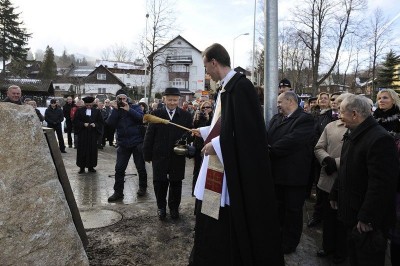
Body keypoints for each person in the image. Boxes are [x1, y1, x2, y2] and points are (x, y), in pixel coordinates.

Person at [190, 43, 284, 265]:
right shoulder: (225, 88)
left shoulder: (241, 87)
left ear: (214, 62)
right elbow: (225, 125)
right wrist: (205, 131)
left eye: (206, 67)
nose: (207, 73)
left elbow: (249, 133)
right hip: (221, 162)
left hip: (231, 166)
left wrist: (218, 146)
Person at [329, 94, 399, 266]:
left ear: (354, 114)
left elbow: (382, 185)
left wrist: (367, 217)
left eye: (342, 111)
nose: (339, 115)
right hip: (351, 213)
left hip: (367, 223)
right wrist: (335, 192)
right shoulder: (353, 133)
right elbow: (345, 167)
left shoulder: (380, 139)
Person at [267, 91, 315, 254]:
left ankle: (289, 243)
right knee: (277, 208)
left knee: (293, 211)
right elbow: (267, 136)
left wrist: (270, 150)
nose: (278, 105)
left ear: (290, 101)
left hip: (294, 175)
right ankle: (277, 238)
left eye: (280, 102)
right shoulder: (276, 118)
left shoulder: (305, 119)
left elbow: (293, 141)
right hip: (276, 174)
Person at [143, 87, 193, 220]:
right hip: (159, 155)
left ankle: (174, 208)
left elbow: (190, 135)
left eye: (175, 100)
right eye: (169, 100)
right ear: (164, 99)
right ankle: (161, 207)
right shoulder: (156, 114)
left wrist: (189, 138)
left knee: (176, 182)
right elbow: (149, 135)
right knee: (160, 182)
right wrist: (147, 154)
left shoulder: (186, 116)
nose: (172, 103)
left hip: (177, 155)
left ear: (179, 100)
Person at [314, 93, 351, 264]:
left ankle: (341, 252)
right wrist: (325, 159)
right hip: (327, 179)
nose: (337, 106)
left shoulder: (356, 127)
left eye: (341, 103)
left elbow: (357, 155)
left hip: (346, 181)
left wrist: (335, 162)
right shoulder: (330, 126)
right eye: (336, 103)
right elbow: (319, 147)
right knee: (328, 218)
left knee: (342, 221)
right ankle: (327, 246)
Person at [373, 89, 400, 266]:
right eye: (379, 98)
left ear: (394, 100)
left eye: (385, 98)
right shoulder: (373, 120)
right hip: (376, 172)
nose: (381, 101)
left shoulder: (399, 121)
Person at [106, 89, 148, 201]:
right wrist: (115, 110)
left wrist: (129, 110)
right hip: (123, 143)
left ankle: (142, 188)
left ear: (127, 98)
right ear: (116, 99)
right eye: (119, 98)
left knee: (140, 167)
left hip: (137, 142)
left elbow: (142, 119)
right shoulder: (115, 110)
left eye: (124, 98)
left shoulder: (134, 107)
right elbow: (110, 124)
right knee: (119, 169)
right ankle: (118, 192)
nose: (122, 100)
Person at [308, 92, 341, 228]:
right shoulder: (323, 118)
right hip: (322, 160)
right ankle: (318, 216)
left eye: (336, 100)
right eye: (332, 99)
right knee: (321, 192)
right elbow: (316, 138)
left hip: (340, 164)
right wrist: (324, 157)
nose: (334, 102)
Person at [73, 96, 104, 174]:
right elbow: (75, 121)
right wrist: (83, 124)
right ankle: (82, 167)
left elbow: (101, 122)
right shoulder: (79, 111)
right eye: (87, 105)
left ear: (92, 104)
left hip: (92, 134)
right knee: (82, 150)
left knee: (92, 150)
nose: (89, 107)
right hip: (83, 134)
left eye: (90, 105)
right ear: (85, 104)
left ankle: (91, 166)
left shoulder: (96, 111)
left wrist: (95, 125)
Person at [192, 100, 213, 196]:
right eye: (203, 108)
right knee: (197, 168)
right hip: (199, 145)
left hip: (210, 146)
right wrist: (202, 119)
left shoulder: (214, 117)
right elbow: (197, 129)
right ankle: (195, 190)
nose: (205, 109)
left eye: (207, 107)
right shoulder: (199, 116)